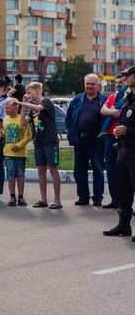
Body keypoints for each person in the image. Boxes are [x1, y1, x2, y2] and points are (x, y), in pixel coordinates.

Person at [17, 82, 62, 209]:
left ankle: (57, 200)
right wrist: (23, 106)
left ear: (37, 91)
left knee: (53, 169)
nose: (28, 95)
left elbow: (39, 109)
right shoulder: (32, 108)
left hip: (50, 141)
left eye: (30, 92)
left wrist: (19, 103)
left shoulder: (46, 102)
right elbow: (22, 123)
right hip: (39, 142)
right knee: (41, 171)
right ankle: (43, 199)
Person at [65, 73, 108, 206]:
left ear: (98, 85)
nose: (89, 86)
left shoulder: (104, 100)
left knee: (98, 169)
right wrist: (71, 132)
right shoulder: (77, 100)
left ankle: (97, 198)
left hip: (97, 140)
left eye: (92, 84)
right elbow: (69, 118)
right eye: (87, 83)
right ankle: (83, 196)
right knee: (79, 170)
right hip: (80, 140)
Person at [103, 66, 135, 240]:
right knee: (122, 188)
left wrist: (128, 131)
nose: (125, 79)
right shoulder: (128, 98)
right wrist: (119, 131)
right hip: (124, 149)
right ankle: (124, 225)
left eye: (128, 75)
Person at [100, 73, 128, 209]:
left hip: (124, 138)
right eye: (117, 82)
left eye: (122, 82)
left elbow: (123, 112)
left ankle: (126, 202)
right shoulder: (113, 97)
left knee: (126, 171)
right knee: (111, 170)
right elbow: (103, 110)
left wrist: (114, 111)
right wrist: (113, 112)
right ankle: (115, 200)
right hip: (110, 137)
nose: (119, 84)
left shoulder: (128, 98)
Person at [0, 98, 31, 207]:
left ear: (15, 107)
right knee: (10, 175)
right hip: (8, 152)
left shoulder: (22, 119)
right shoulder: (5, 120)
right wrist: (1, 134)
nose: (6, 109)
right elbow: (5, 132)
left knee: (20, 175)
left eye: (8, 107)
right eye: (5, 107)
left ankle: (21, 197)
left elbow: (28, 136)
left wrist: (19, 145)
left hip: (20, 153)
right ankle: (12, 196)